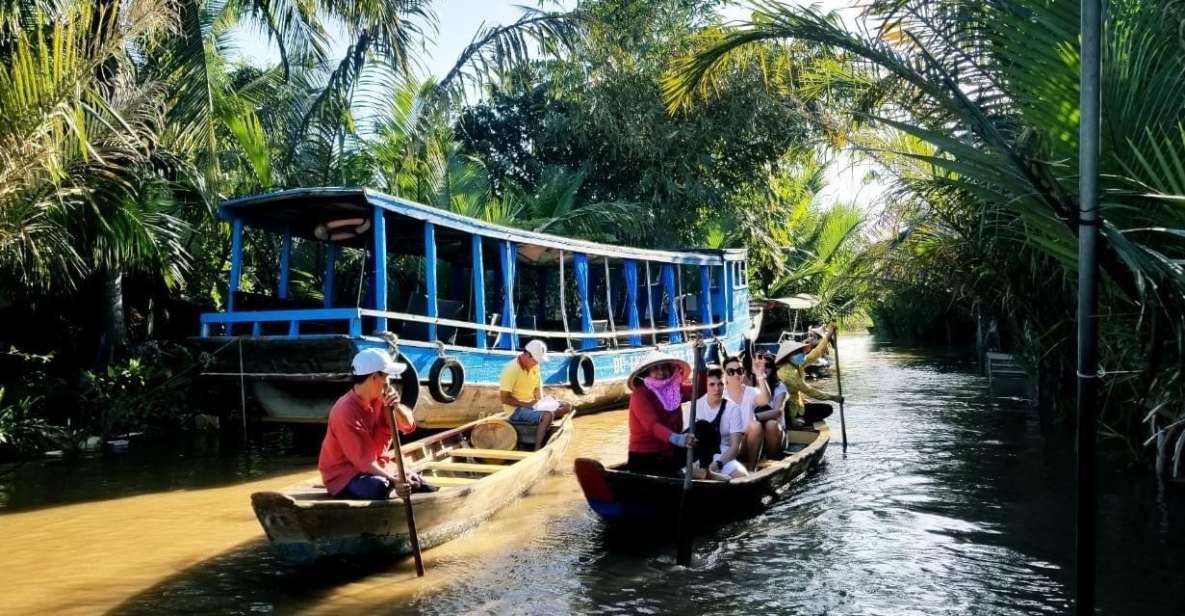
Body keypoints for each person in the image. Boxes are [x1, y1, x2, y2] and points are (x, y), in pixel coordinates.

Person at [318, 348, 430, 500]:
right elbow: (365, 462)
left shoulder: (383, 399)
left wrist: (397, 407)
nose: (389, 381)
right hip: (346, 475)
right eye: (387, 376)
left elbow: (408, 426)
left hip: (378, 465)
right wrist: (395, 481)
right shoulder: (344, 411)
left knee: (421, 485)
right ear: (374, 378)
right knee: (379, 487)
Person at [627, 351, 698, 476]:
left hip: (669, 452)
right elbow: (652, 426)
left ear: (670, 370)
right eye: (655, 369)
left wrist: (701, 365)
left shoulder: (675, 389)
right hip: (645, 457)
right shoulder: (640, 395)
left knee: (703, 428)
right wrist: (677, 439)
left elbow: (699, 391)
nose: (660, 372)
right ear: (647, 373)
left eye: (664, 368)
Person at [500, 339, 573, 450]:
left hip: (533, 406)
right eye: (536, 360)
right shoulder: (511, 369)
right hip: (516, 410)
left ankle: (544, 420)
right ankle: (537, 448)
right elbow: (504, 399)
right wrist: (526, 404)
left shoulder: (535, 366)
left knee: (567, 406)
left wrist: (544, 402)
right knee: (548, 415)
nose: (538, 363)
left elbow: (537, 390)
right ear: (527, 355)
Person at [775, 323, 844, 427]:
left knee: (824, 408)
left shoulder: (796, 364)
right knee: (827, 409)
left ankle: (800, 416)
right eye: (799, 353)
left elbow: (815, 353)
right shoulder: (788, 373)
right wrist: (832, 397)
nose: (803, 354)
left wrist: (828, 335)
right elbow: (809, 390)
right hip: (788, 409)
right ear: (789, 356)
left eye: (802, 352)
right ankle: (793, 422)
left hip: (797, 404)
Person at [687, 365, 748, 479]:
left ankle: (709, 476)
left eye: (720, 384)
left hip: (722, 455)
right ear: (704, 386)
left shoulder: (733, 409)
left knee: (742, 476)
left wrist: (717, 465)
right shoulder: (694, 406)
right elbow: (686, 439)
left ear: (725, 386)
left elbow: (735, 447)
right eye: (712, 384)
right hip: (697, 455)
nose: (717, 389)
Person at [722, 353, 770, 468]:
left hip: (744, 445)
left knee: (755, 426)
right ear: (725, 375)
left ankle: (751, 469)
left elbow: (765, 400)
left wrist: (759, 375)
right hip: (725, 447)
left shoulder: (750, 391)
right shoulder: (720, 394)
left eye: (739, 371)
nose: (736, 375)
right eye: (731, 372)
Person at [751, 350, 790, 459]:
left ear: (772, 369)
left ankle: (772, 460)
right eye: (759, 365)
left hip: (776, 433)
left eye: (767, 365)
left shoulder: (779, 387)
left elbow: (777, 411)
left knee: (771, 425)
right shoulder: (749, 385)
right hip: (754, 433)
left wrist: (754, 417)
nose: (763, 368)